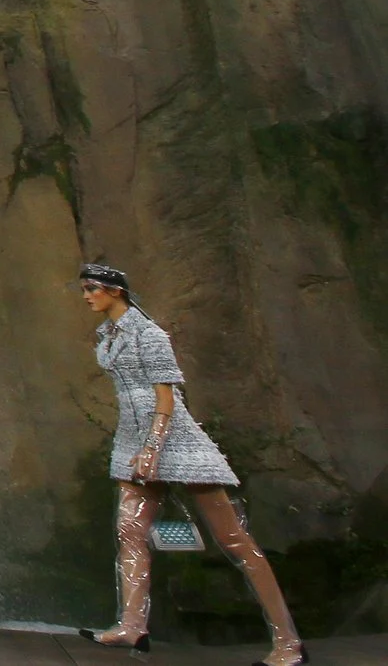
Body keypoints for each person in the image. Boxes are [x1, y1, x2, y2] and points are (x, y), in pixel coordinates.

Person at [76, 264, 301, 666]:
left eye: (93, 288)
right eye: (84, 289)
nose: (87, 296)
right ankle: (132, 624)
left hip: (174, 438)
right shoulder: (107, 335)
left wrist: (153, 449)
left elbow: (165, 396)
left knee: (233, 539)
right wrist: (139, 446)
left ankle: (288, 642)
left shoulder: (149, 334)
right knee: (129, 530)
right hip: (131, 434)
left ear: (115, 290)